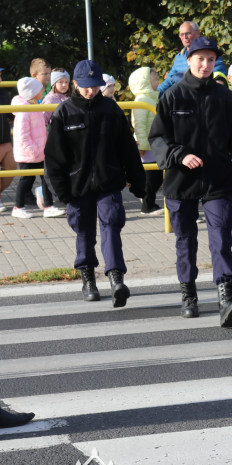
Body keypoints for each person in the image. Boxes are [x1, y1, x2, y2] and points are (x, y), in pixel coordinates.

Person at [149, 36, 232, 327]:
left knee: (221, 237)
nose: (205, 64)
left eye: (211, 60)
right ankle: (189, 295)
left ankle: (226, 298)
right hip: (180, 181)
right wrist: (178, 155)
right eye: (200, 59)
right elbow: (158, 139)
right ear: (189, 59)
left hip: (218, 179)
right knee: (185, 240)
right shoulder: (172, 96)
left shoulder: (226, 99)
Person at [44, 59, 147, 306]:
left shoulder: (111, 110)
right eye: (86, 86)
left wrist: (138, 181)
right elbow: (54, 157)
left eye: (96, 86)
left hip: (108, 181)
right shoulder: (64, 113)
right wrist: (60, 191)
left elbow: (128, 150)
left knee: (111, 223)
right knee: (83, 229)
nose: (91, 91)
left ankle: (116, 278)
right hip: (76, 186)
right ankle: (88, 277)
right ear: (76, 84)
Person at [11, 76, 63, 218]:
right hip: (29, 154)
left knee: (46, 177)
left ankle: (48, 206)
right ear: (32, 93)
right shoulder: (24, 111)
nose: (43, 90)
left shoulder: (35, 106)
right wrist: (33, 151)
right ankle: (18, 207)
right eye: (40, 89)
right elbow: (23, 136)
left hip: (39, 152)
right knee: (26, 180)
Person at [127, 66, 163, 214]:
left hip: (154, 144)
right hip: (147, 146)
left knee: (157, 176)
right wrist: (141, 144)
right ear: (144, 82)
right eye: (154, 79)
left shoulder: (152, 98)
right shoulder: (142, 99)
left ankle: (148, 201)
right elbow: (138, 124)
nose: (157, 81)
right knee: (151, 178)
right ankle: (147, 206)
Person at [157, 21, 226, 96]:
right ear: (189, 59)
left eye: (188, 33)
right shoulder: (179, 57)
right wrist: (155, 94)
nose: (185, 37)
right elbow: (169, 80)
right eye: (182, 34)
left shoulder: (210, 54)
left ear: (198, 33)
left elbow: (220, 78)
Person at [0, 66, 15, 213]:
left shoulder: (4, 93)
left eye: (0, 75)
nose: (0, 78)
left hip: (5, 140)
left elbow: (11, 115)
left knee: (11, 169)